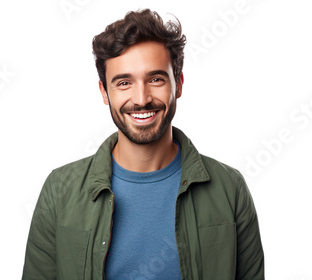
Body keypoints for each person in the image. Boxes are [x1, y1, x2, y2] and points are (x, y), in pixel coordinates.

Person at [22, 8, 264, 280]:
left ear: (179, 85)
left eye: (156, 79)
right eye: (124, 82)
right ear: (104, 92)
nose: (141, 98)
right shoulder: (60, 190)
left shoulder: (229, 188)